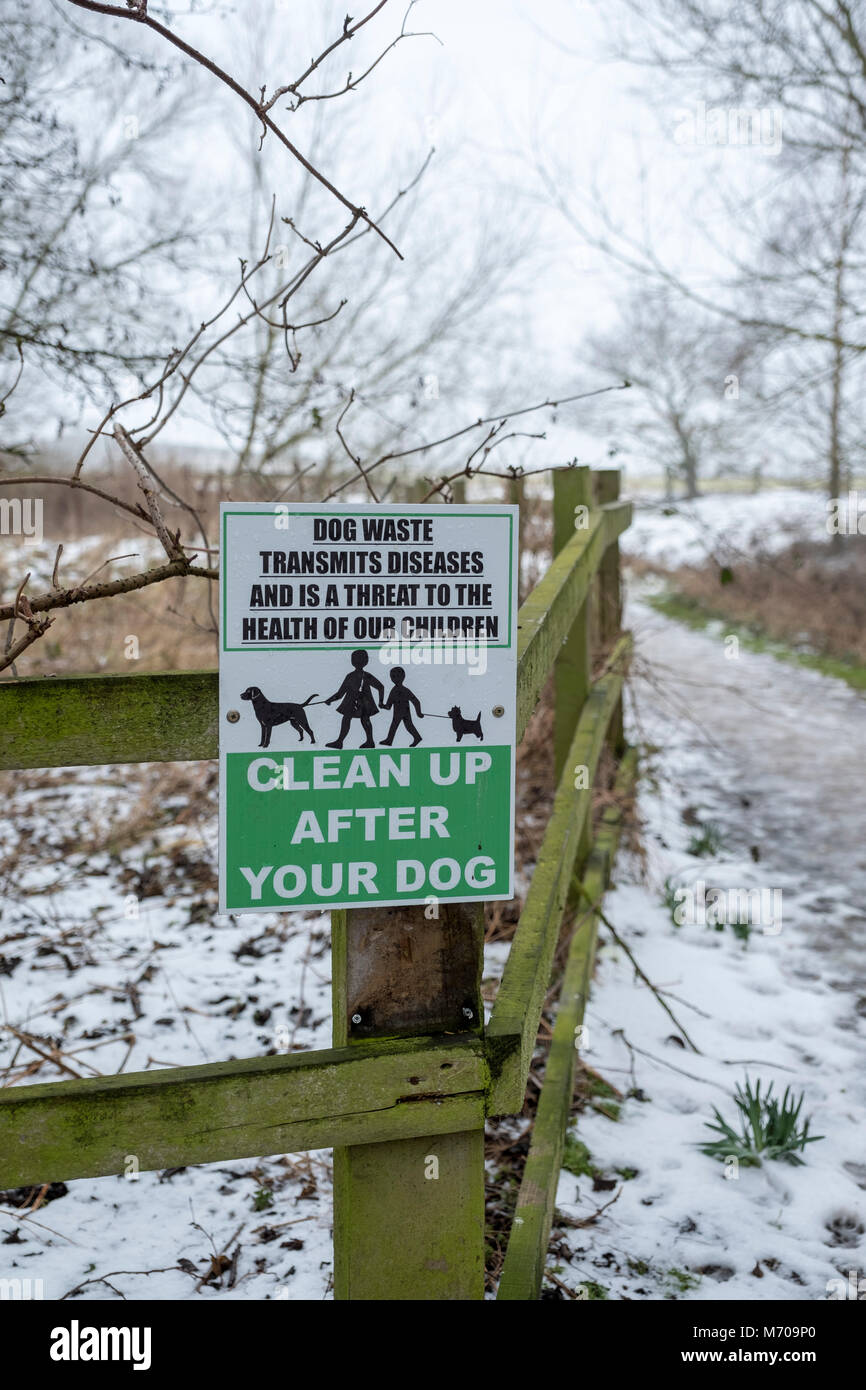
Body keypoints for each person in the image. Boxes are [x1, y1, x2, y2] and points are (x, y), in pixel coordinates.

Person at [324, 649, 384, 749]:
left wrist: (330, 700)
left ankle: (367, 741)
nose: (357, 661)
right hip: (354, 703)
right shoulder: (352, 676)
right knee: (352, 719)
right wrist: (330, 699)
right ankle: (341, 742)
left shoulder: (355, 676)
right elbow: (340, 693)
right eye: (356, 659)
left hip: (362, 703)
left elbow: (340, 694)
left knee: (360, 719)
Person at [380, 666, 423, 747]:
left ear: (403, 677)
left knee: (398, 726)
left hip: (402, 712)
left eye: (398, 676)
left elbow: (416, 701)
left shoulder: (404, 690)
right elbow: (388, 706)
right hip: (400, 712)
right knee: (407, 726)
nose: (395, 678)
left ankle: (389, 740)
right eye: (393, 676)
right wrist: (383, 706)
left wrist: (419, 713)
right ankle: (417, 737)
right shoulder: (394, 691)